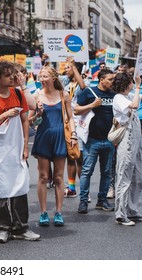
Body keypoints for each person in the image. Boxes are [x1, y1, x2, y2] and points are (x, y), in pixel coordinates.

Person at [0, 61, 40, 243]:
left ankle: (21, 227)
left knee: (20, 187)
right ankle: (3, 227)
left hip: (16, 149)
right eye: (8, 75)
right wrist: (4, 115)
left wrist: (25, 146)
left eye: (13, 74)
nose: (12, 78)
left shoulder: (18, 94)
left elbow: (25, 121)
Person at [31, 66, 77, 226]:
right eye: (40, 76)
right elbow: (31, 121)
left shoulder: (64, 95)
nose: (42, 79)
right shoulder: (36, 95)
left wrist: (73, 135)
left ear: (53, 78)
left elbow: (71, 117)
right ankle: (43, 213)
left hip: (60, 137)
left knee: (58, 177)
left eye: (45, 76)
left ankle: (58, 212)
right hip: (43, 136)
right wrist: (37, 113)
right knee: (43, 177)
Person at [75, 69, 116, 214]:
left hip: (109, 140)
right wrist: (92, 105)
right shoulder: (89, 92)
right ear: (101, 80)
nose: (112, 82)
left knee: (106, 172)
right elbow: (76, 110)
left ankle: (102, 200)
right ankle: (83, 202)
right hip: (92, 140)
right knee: (87, 171)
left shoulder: (114, 95)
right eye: (110, 79)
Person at [112, 72, 142, 225]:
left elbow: (138, 99)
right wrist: (137, 86)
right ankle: (121, 213)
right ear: (127, 83)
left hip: (136, 140)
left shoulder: (128, 96)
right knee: (124, 176)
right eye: (131, 81)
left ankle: (132, 209)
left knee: (137, 176)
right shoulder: (118, 98)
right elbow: (135, 105)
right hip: (127, 139)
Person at [59, 57, 87, 198]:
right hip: (67, 123)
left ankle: (84, 190)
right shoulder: (65, 81)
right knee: (70, 156)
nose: (66, 70)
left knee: (79, 157)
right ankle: (71, 188)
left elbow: (82, 86)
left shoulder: (84, 83)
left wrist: (74, 66)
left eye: (68, 67)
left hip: (80, 124)